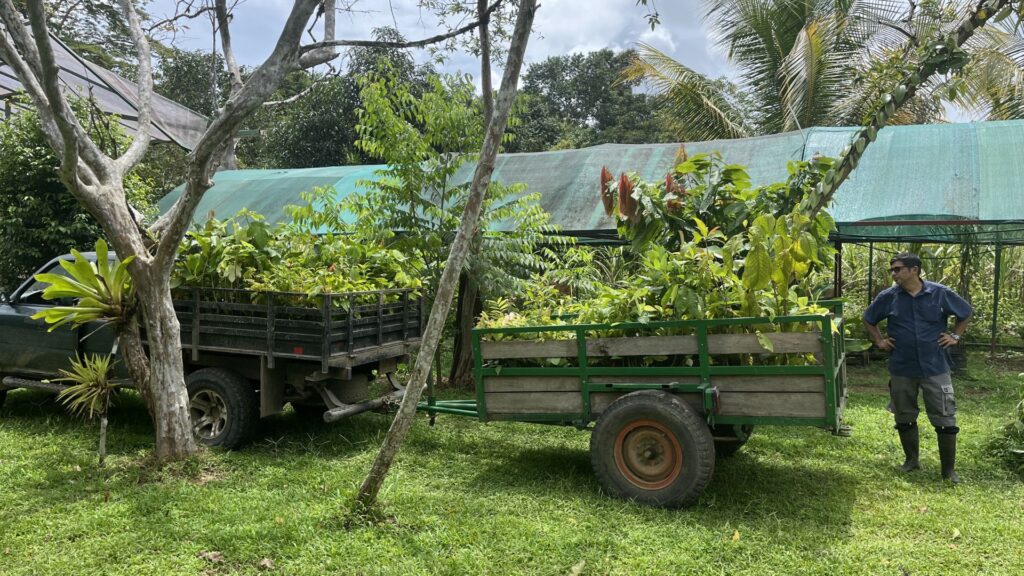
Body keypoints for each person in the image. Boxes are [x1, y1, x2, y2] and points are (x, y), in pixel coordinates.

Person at [863, 252, 972, 483]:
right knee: (904, 415)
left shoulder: (940, 293)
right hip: (902, 366)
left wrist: (955, 335)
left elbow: (965, 312)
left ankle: (948, 470)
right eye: (892, 270)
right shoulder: (888, 297)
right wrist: (879, 341)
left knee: (945, 417)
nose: (894, 274)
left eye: (898, 269)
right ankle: (911, 461)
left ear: (914, 270)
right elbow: (869, 318)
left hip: (935, 366)